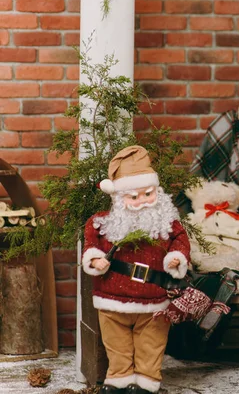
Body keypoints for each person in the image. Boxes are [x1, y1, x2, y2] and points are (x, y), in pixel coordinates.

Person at [82, 145, 191, 394]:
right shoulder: (101, 223)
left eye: (148, 194)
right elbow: (90, 244)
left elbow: (181, 241)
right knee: (116, 342)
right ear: (119, 198)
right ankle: (118, 378)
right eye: (133, 197)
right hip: (112, 298)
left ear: (157, 191)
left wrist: (175, 258)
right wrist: (95, 260)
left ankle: (146, 382)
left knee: (151, 344)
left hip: (154, 297)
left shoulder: (168, 222)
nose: (141, 201)